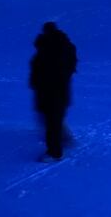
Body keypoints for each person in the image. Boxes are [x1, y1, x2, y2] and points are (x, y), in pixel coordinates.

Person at [29, 21, 77, 160]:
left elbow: (46, 72)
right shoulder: (64, 47)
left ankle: (54, 152)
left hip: (51, 92)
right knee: (54, 119)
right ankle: (64, 140)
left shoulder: (51, 50)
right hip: (54, 91)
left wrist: (39, 82)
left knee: (52, 121)